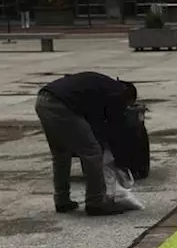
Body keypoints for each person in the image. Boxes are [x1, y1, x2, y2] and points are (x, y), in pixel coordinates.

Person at [35, 72, 138, 216]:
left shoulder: (104, 85)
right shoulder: (118, 93)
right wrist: (119, 157)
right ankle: (95, 202)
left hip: (43, 100)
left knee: (61, 153)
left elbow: (94, 120)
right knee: (93, 153)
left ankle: (62, 200)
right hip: (62, 105)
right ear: (128, 97)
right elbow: (113, 126)